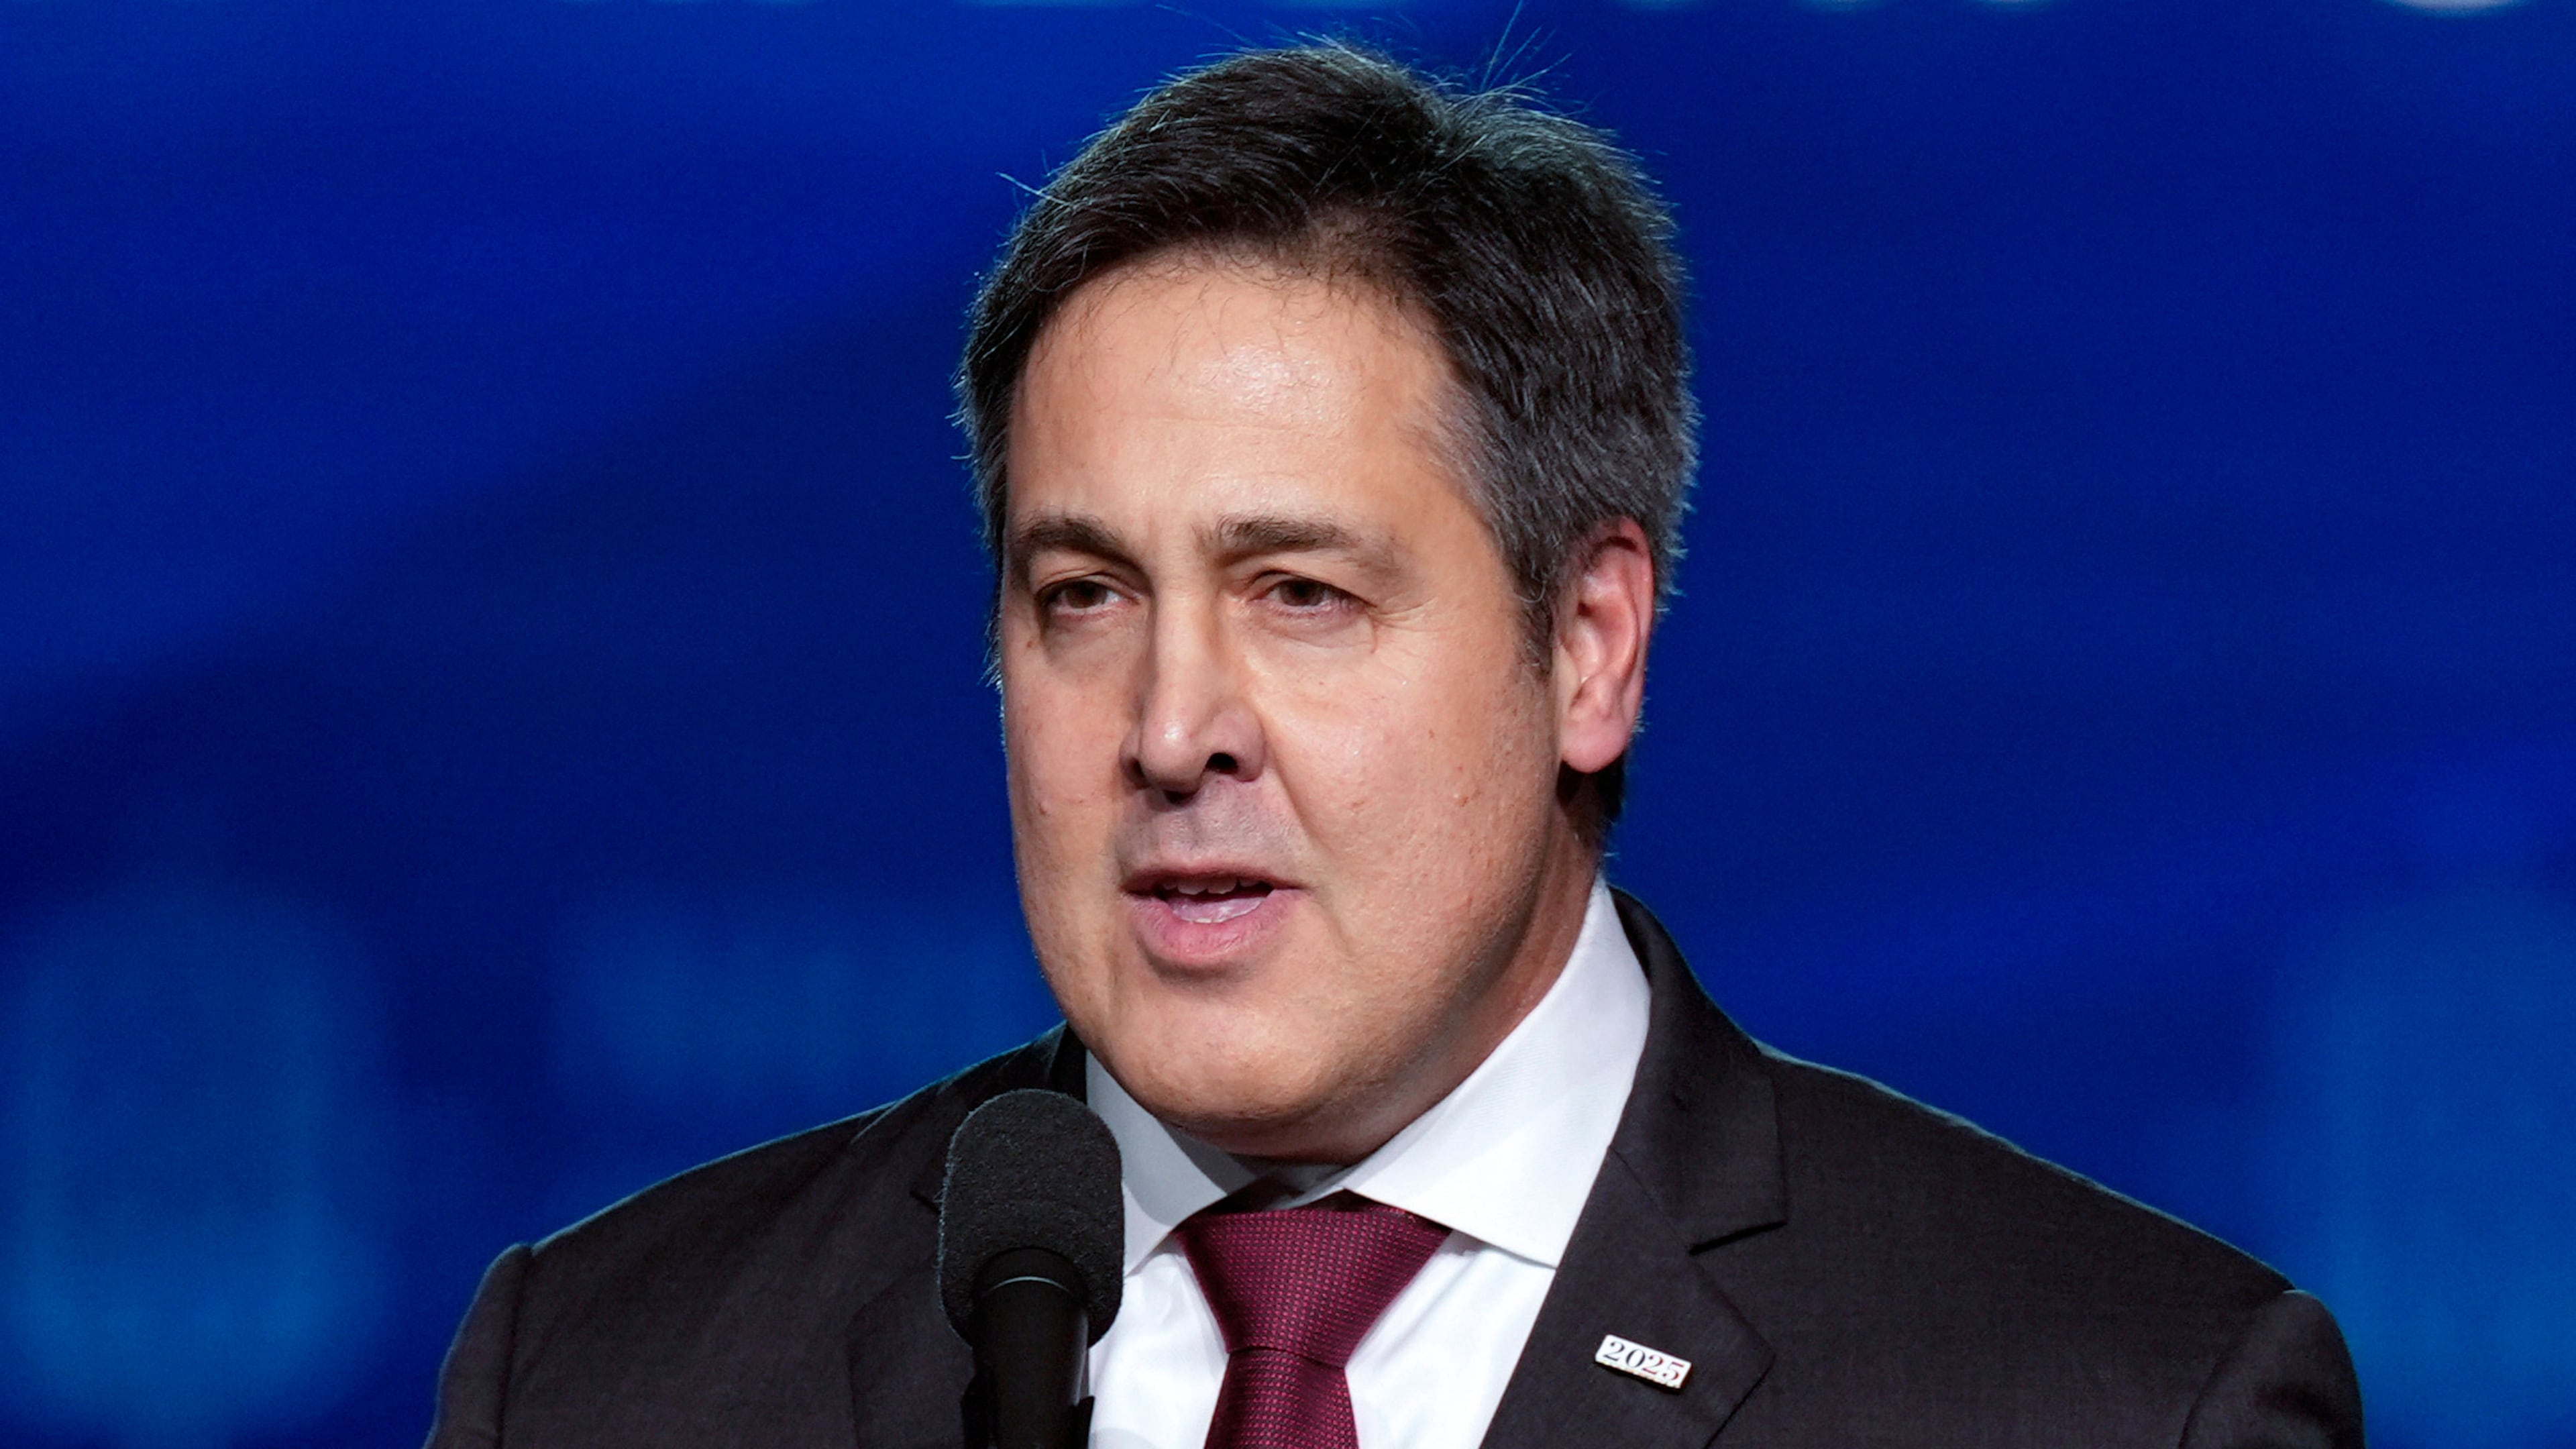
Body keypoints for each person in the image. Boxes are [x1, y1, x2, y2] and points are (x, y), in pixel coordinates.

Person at [425, 44, 2363, 1449]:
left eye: (1302, 598)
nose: (1174, 732)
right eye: (1084, 598)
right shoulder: (609, 1378)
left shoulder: (2112, 1398)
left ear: (1589, 647)